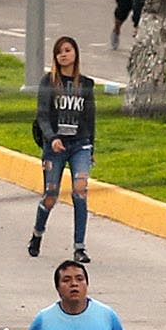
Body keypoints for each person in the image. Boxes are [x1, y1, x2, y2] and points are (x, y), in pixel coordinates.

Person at [29, 38, 97, 263]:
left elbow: (90, 117)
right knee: (51, 195)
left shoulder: (85, 85)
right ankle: (37, 233)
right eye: (59, 52)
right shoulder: (48, 82)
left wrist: (92, 147)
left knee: (80, 190)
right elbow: (42, 115)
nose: (64, 55)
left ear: (75, 54)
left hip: (80, 144)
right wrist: (52, 138)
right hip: (55, 147)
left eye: (68, 51)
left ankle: (79, 247)